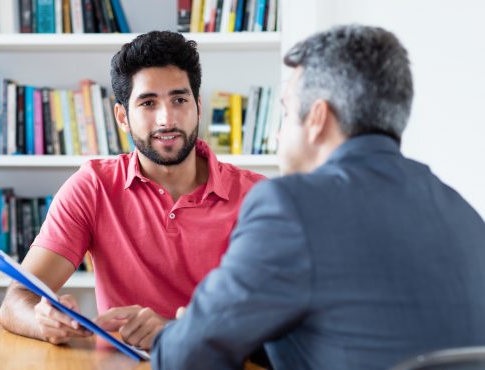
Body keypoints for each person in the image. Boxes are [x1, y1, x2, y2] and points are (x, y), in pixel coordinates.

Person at [151, 25, 485, 370]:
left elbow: (185, 357)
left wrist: (186, 327)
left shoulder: (290, 206)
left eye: (285, 111)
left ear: (317, 118)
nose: (279, 133)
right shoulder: (465, 215)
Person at [0, 31, 264, 350]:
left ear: (198, 106)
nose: (166, 119)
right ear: (122, 117)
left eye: (179, 100)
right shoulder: (93, 186)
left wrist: (176, 331)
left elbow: (278, 318)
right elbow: (17, 298)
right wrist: (43, 321)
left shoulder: (257, 196)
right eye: (148, 103)